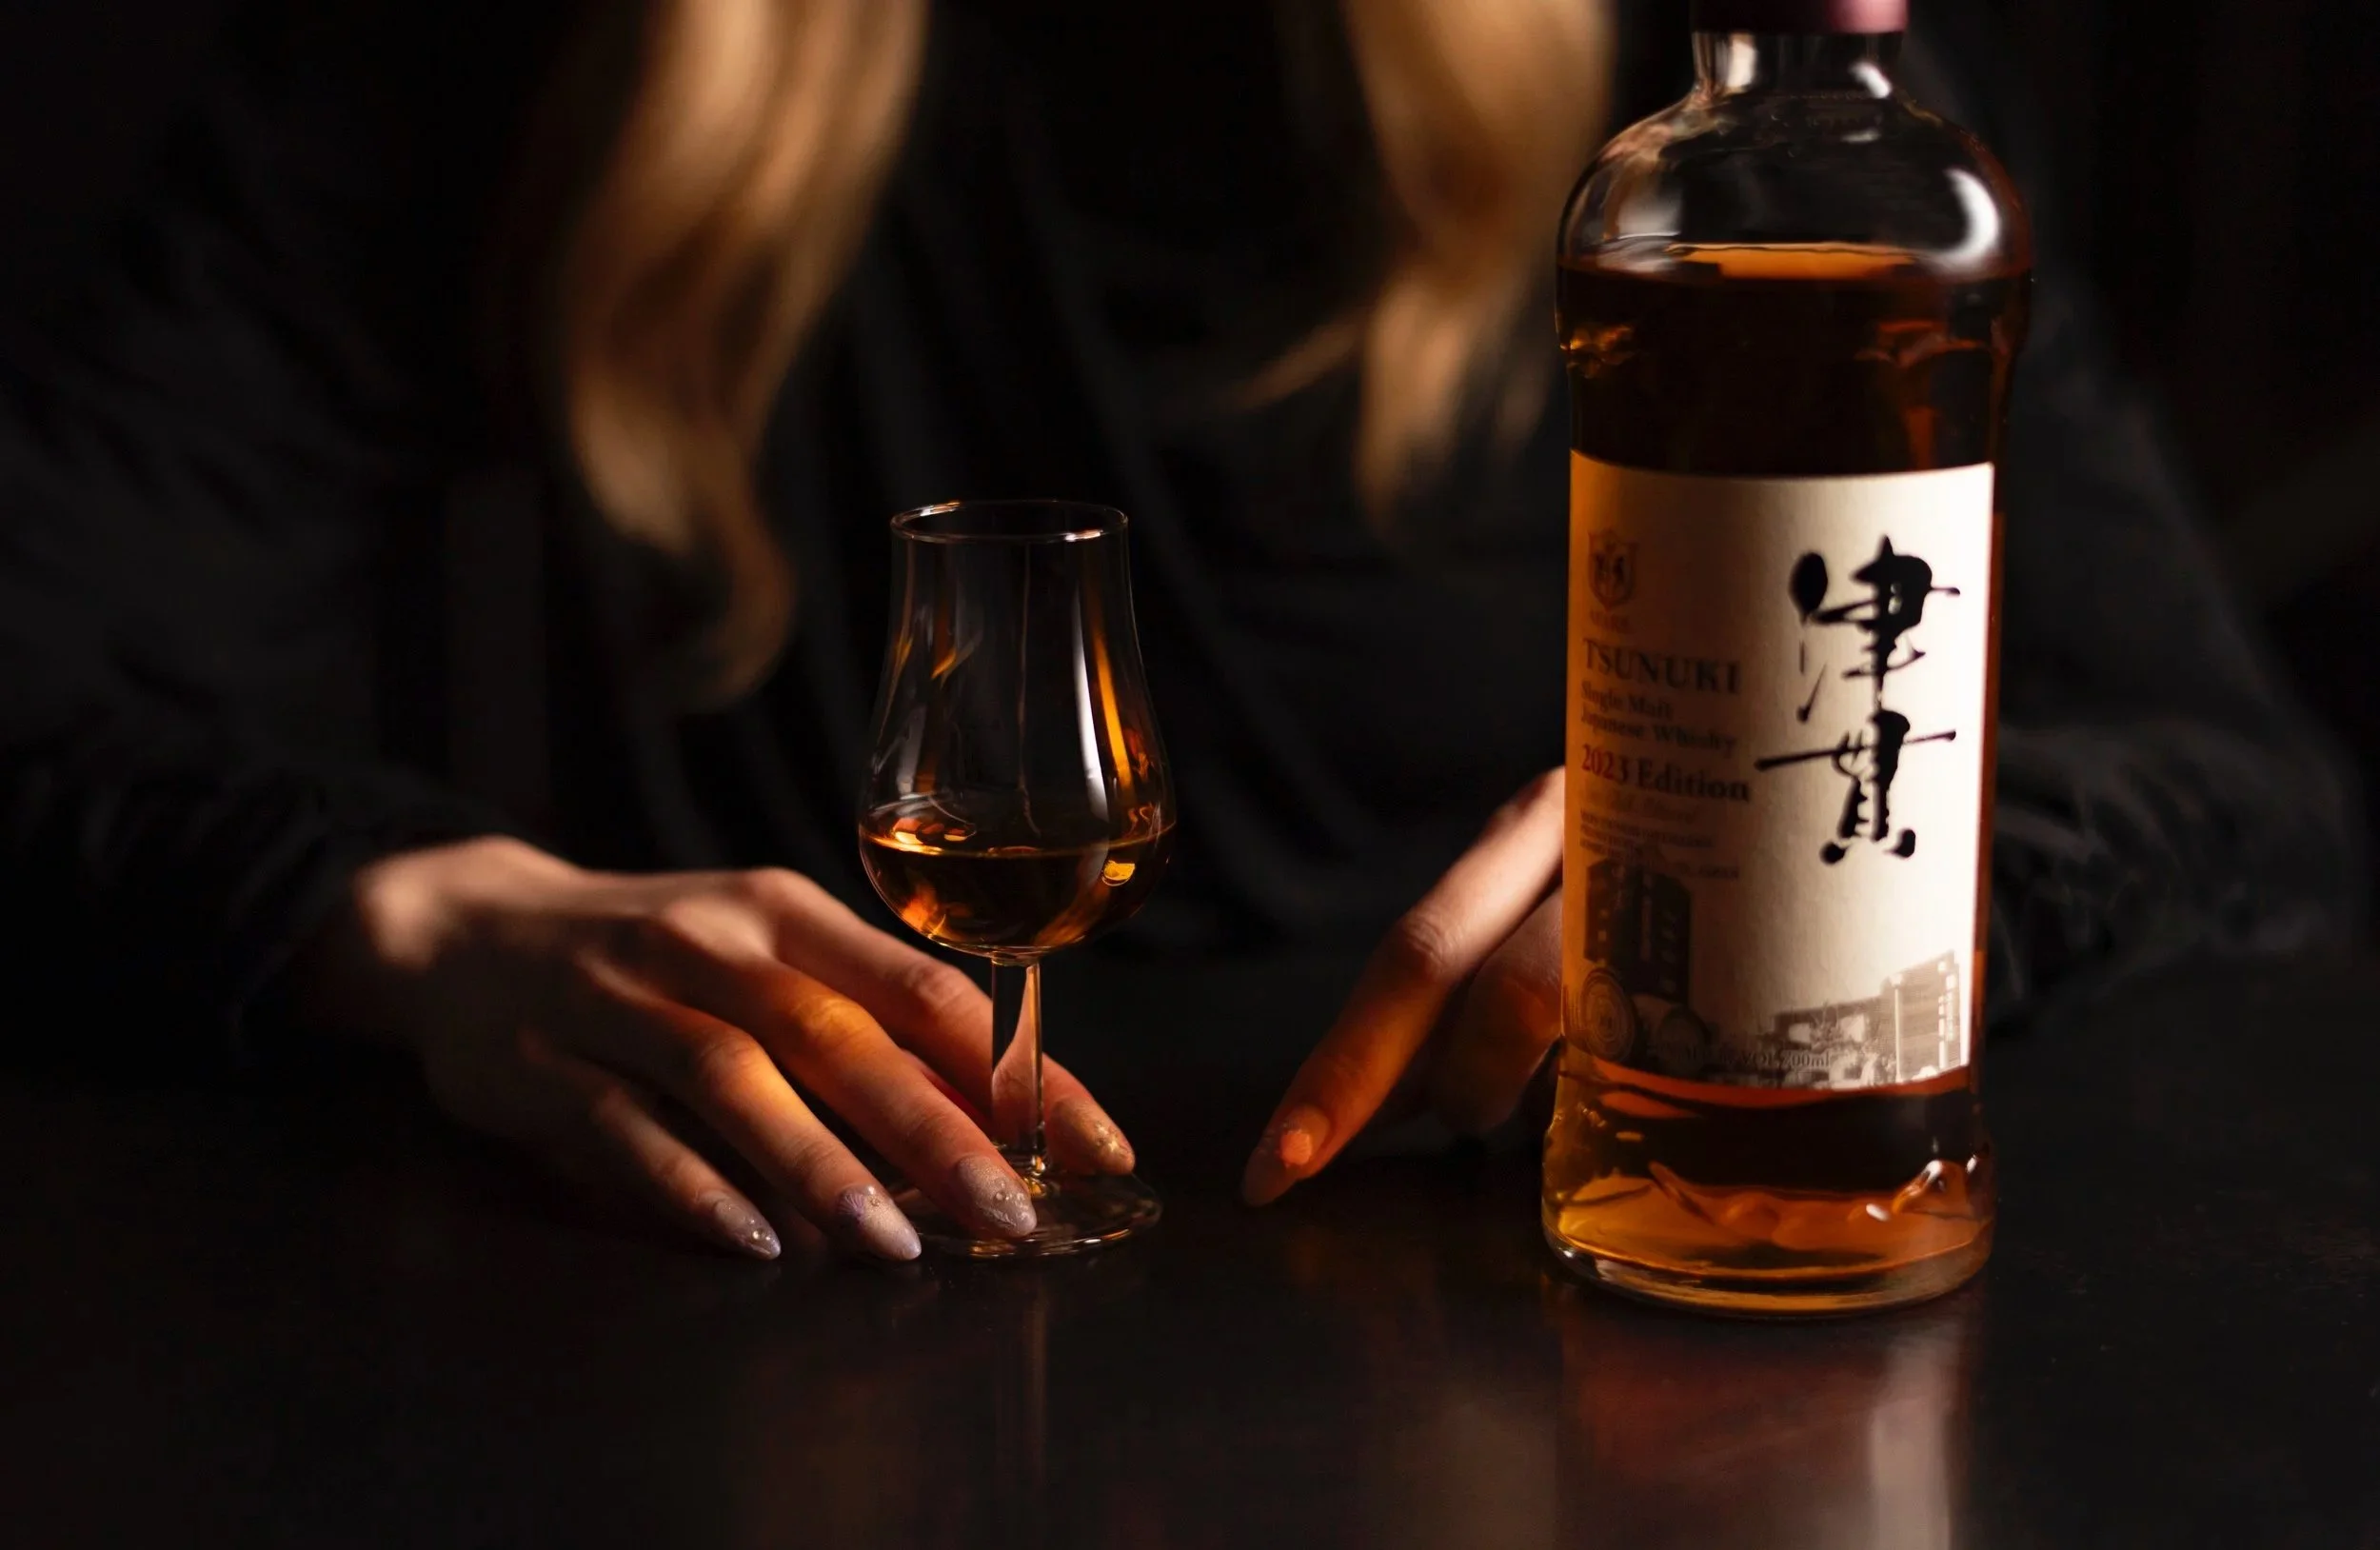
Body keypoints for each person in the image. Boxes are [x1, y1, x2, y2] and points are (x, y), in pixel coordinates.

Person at [0, 0, 2356, 1262]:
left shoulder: (1730, 72)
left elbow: (2235, 778)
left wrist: (1824, 888)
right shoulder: (522, 45)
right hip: (793, 1320)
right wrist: (414, 917)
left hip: (1548, 1325)